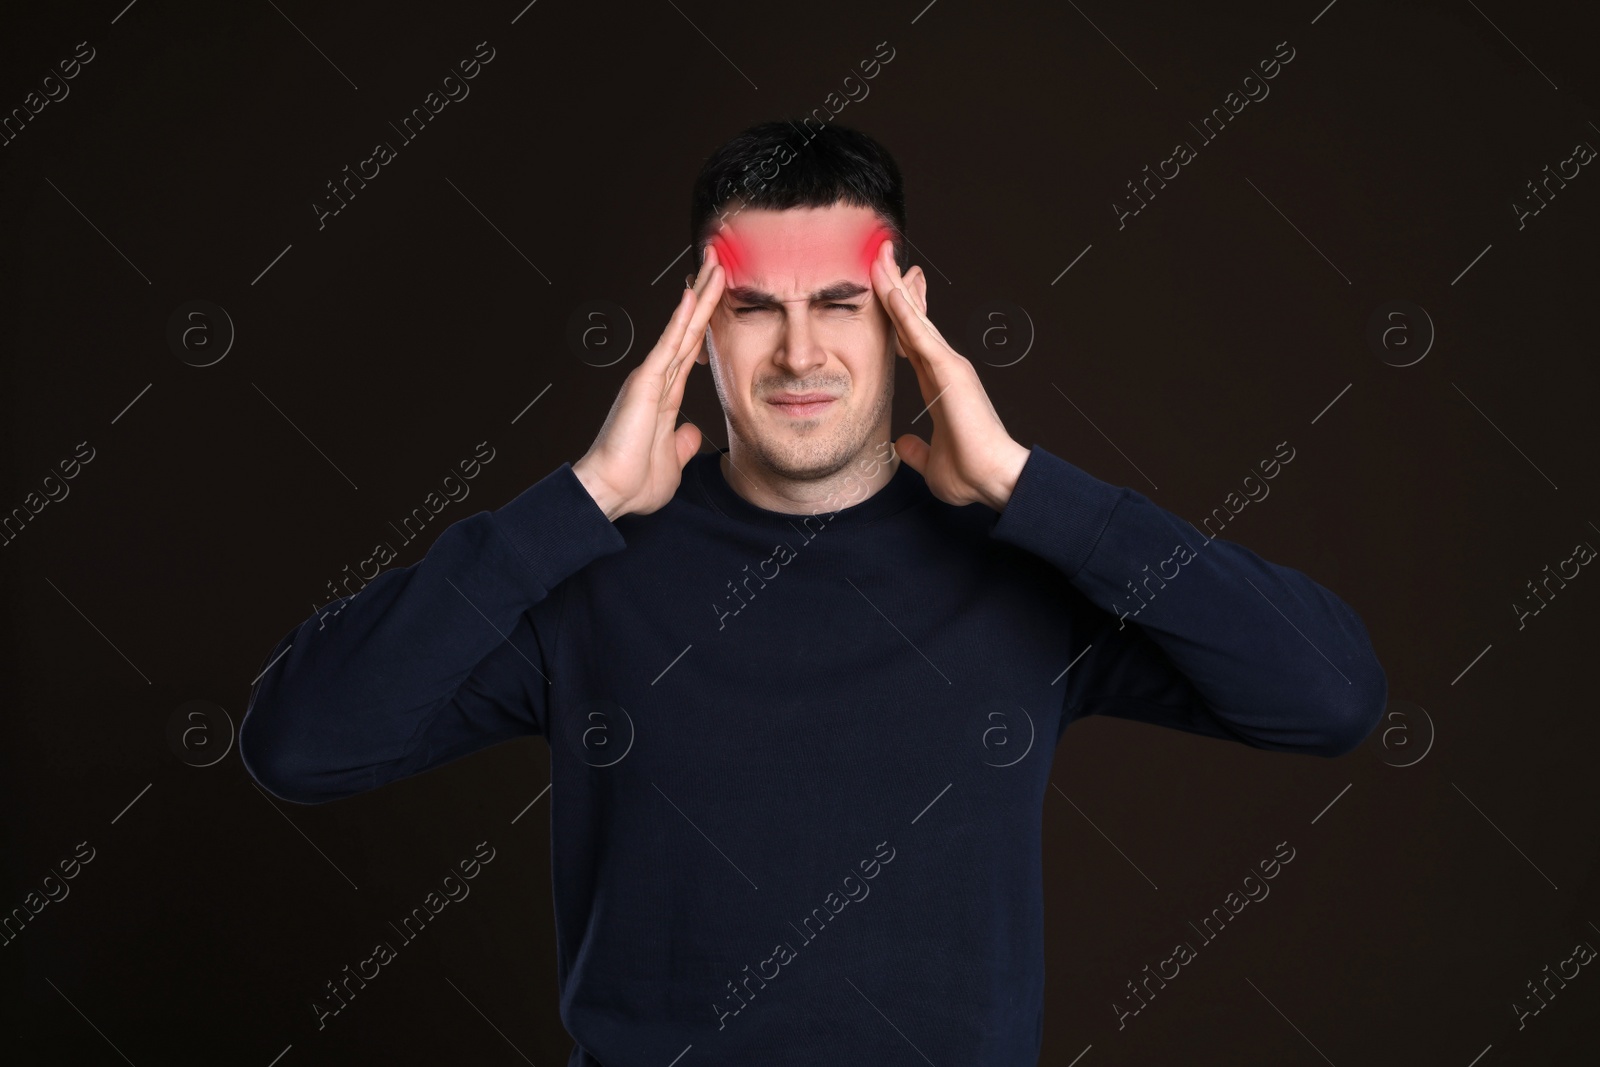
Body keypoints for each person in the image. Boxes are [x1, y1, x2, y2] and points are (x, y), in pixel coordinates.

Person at [240, 120, 1387, 1066]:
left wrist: (1027, 484)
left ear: (906, 309)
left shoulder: (1024, 562)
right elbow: (300, 743)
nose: (799, 354)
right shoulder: (585, 570)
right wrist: (581, 497)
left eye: (838, 302)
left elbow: (1328, 694)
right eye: (754, 308)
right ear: (699, 319)